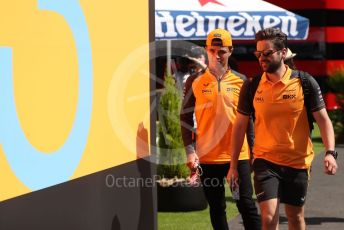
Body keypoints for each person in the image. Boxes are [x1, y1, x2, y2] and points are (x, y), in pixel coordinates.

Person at [227, 27, 338, 230]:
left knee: (295, 217)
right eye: (258, 54)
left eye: (267, 53)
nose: (262, 58)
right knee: (269, 218)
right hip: (265, 161)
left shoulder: (304, 82)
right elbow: (239, 126)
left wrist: (330, 152)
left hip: (297, 162)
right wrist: (233, 165)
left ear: (283, 52)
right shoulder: (251, 86)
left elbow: (323, 120)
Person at [180, 28, 261, 230]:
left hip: (238, 155)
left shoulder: (242, 81)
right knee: (216, 208)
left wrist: (254, 150)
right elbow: (185, 117)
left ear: (230, 51)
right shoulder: (194, 81)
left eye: (221, 51)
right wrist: (190, 151)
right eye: (212, 50)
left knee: (246, 205)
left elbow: (248, 119)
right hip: (208, 157)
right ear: (206, 50)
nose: (217, 55)